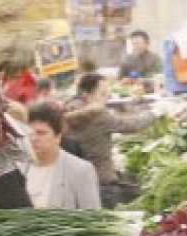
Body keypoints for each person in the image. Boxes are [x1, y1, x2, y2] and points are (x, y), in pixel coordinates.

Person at [64, 74, 155, 208]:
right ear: (86, 95)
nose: (107, 97)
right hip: (102, 181)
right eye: (102, 93)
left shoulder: (68, 112)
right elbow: (132, 125)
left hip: (77, 182)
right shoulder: (96, 115)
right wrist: (155, 113)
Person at [25, 101, 101, 209]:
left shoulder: (80, 170)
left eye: (41, 133)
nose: (33, 138)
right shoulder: (20, 168)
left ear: (58, 137)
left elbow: (93, 217)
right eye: (30, 132)